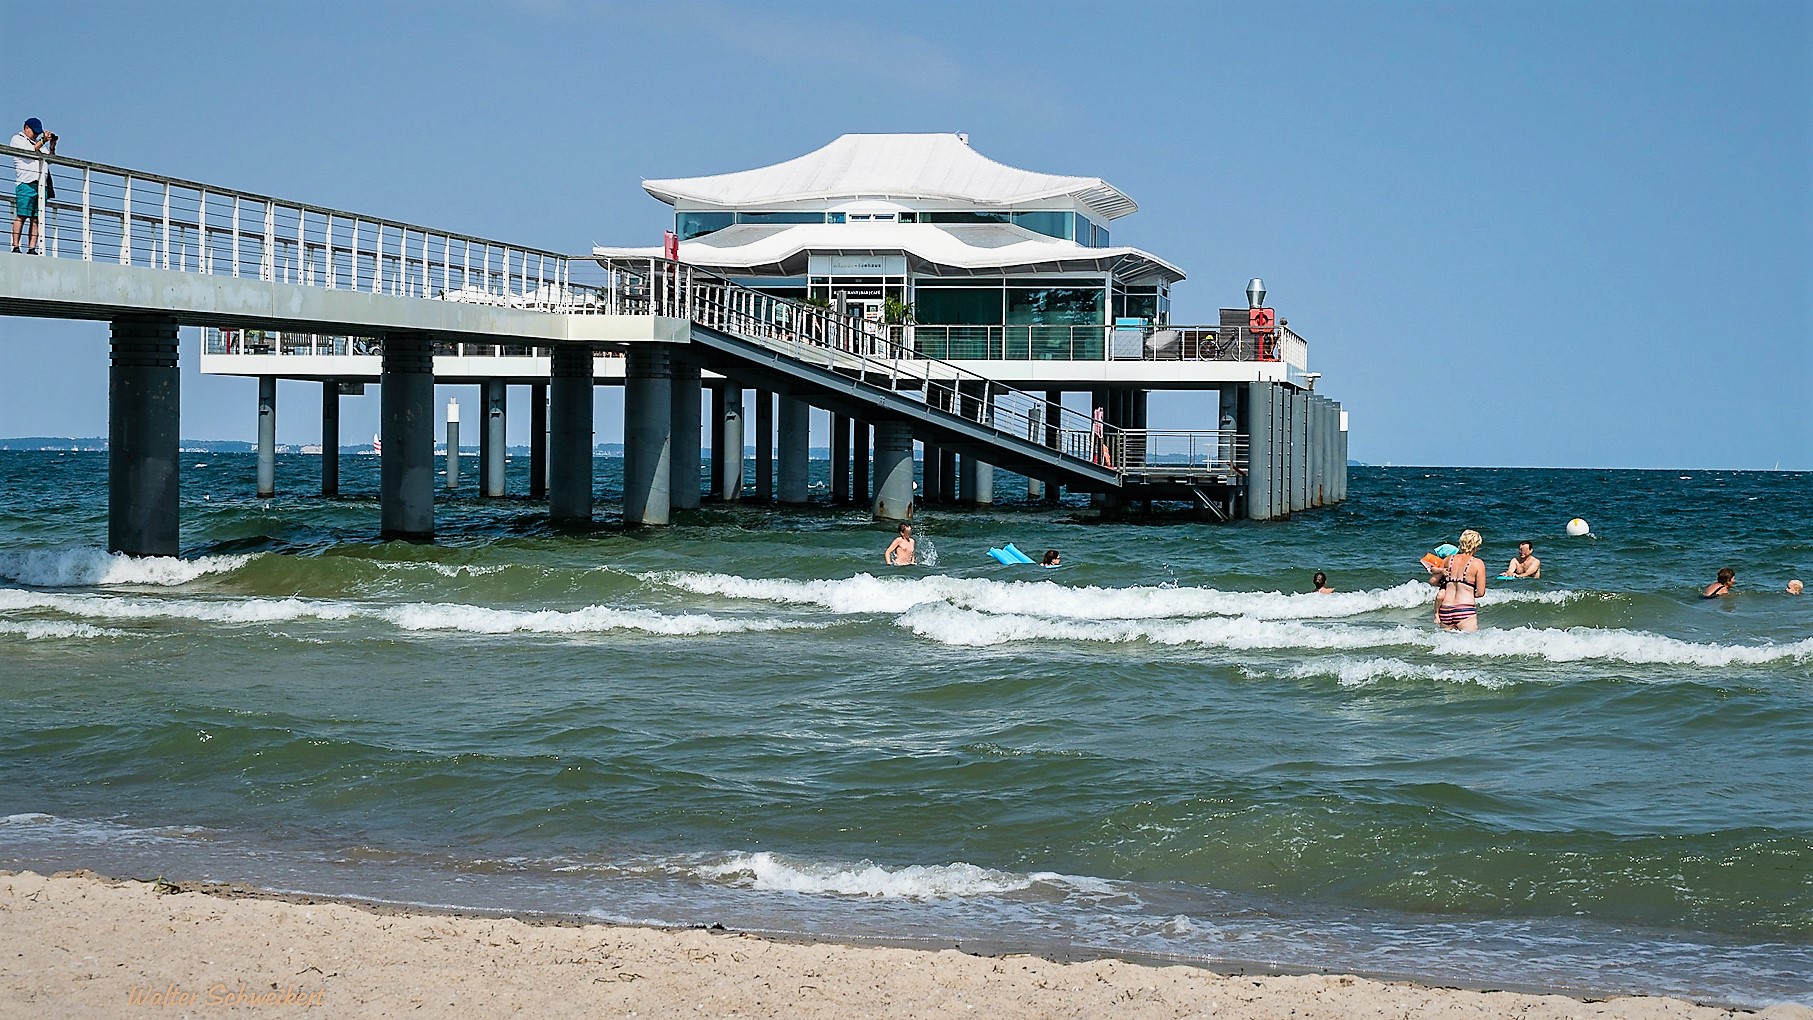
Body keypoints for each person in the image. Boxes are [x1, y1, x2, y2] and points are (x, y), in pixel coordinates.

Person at [10, 117, 55, 255]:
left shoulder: (38, 143)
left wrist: (52, 146)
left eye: (38, 133)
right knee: (22, 215)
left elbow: (51, 159)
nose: (36, 135)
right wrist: (43, 141)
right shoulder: (18, 139)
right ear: (26, 128)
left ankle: (32, 248)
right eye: (34, 132)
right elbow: (30, 151)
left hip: (41, 185)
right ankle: (16, 246)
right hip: (26, 183)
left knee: (36, 218)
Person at [1433, 530, 1487, 631]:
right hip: (1464, 609)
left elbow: (1433, 581)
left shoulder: (1447, 560)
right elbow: (1480, 593)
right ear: (1476, 546)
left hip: (1445, 609)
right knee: (1470, 644)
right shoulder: (1477, 563)